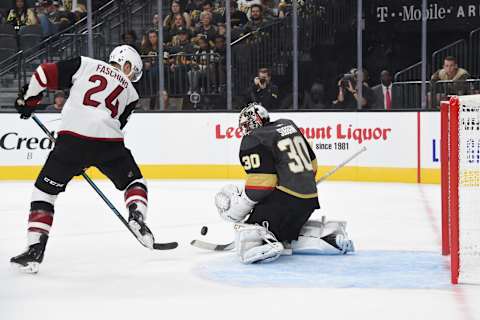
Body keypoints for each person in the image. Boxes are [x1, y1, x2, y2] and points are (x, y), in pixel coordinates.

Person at [11, 45, 153, 273]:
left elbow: (43, 73)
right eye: (133, 72)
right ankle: (136, 213)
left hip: (71, 141)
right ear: (126, 65)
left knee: (45, 193)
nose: (132, 78)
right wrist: (88, 157)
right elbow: (116, 125)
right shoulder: (132, 94)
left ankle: (35, 249)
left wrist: (30, 100)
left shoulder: (85, 64)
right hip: (109, 142)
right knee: (134, 182)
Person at [214, 103, 354, 264]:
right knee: (287, 235)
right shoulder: (288, 125)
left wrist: (243, 204)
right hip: (309, 201)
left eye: (246, 125)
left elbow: (262, 184)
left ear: (254, 121)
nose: (245, 129)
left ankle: (263, 245)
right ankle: (328, 240)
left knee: (249, 229)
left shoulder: (254, 138)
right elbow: (313, 166)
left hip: (284, 202)